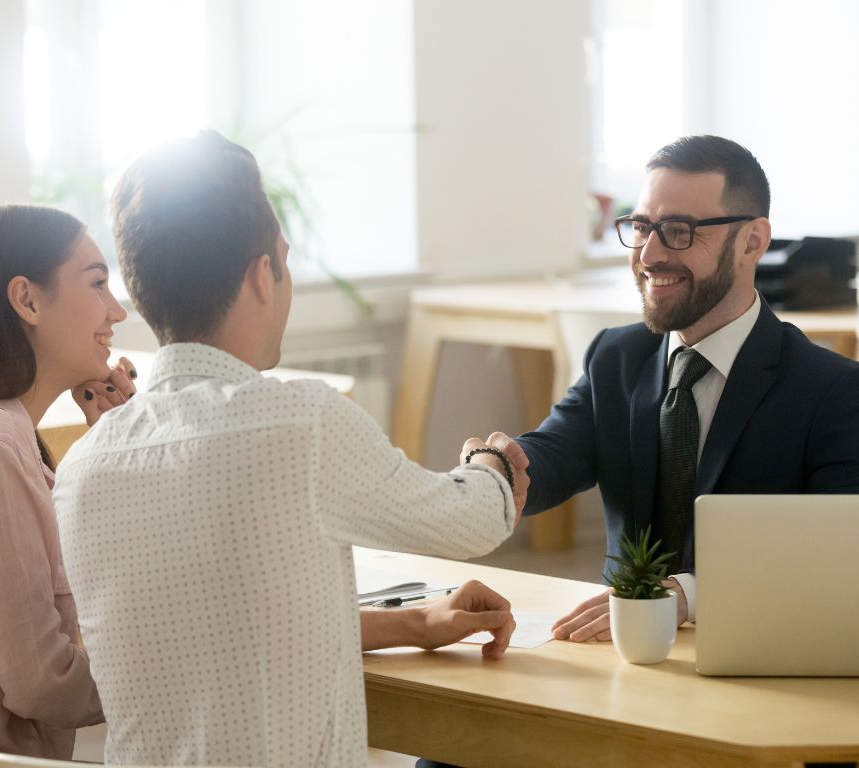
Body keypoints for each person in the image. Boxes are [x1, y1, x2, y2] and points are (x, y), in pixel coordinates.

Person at [52, 131, 529, 768]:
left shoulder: (81, 469)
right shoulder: (301, 421)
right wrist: (490, 464)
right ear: (261, 274)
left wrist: (417, 621)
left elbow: (220, 634)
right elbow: (474, 520)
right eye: (285, 257)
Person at [470, 134, 859, 642]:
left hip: (761, 650)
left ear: (753, 241)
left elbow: (847, 553)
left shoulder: (835, 391)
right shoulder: (616, 357)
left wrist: (686, 596)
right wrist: (499, 467)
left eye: (679, 231)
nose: (649, 253)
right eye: (642, 227)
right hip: (618, 649)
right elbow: (555, 451)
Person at [0, 205, 136, 767]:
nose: (116, 311)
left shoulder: (1, 437)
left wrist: (115, 449)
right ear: (26, 300)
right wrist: (173, 680)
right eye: (97, 283)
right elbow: (40, 681)